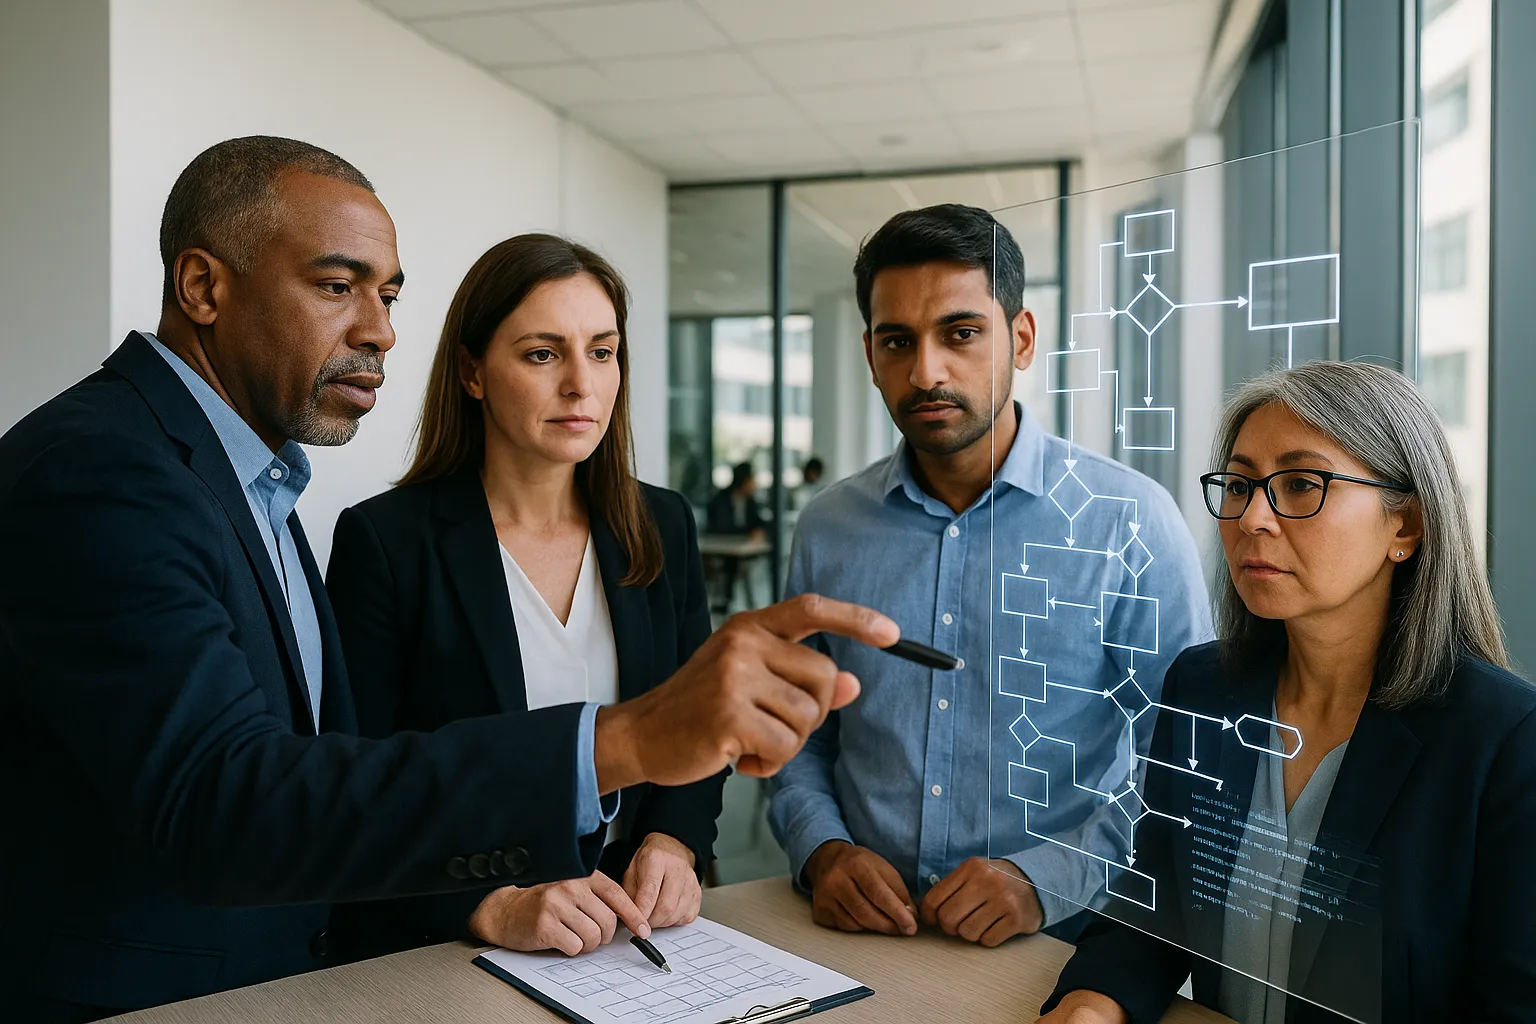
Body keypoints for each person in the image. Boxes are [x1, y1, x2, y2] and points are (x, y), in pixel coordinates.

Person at [0, 136, 898, 1022]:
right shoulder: (103, 470)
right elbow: (226, 799)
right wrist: (622, 743)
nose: (381, 330)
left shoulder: (257, 486)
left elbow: (328, 774)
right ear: (204, 286)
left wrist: (668, 831)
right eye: (337, 286)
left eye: (388, 295)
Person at [768, 205, 1211, 949]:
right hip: (855, 938)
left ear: (1022, 339)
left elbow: (1185, 758)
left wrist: (1046, 880)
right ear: (871, 356)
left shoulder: (1127, 521)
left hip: (1058, 947)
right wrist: (823, 850)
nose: (927, 372)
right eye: (897, 341)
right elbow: (796, 731)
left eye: (961, 333)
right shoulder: (828, 528)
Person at [1040, 361, 1535, 1024]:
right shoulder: (1203, 688)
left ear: (1406, 526)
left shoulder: (1506, 741)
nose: (1253, 518)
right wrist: (1092, 1005)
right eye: (1239, 485)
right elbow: (1156, 906)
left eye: (1301, 484)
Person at [326, 234, 725, 961]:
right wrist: (485, 904)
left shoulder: (661, 524)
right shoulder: (386, 542)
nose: (581, 385)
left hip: (632, 935)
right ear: (473, 372)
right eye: (543, 354)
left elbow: (697, 721)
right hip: (461, 947)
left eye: (601, 352)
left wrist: (675, 839)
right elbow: (355, 788)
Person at [707, 460, 768, 538]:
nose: (755, 485)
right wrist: (748, 533)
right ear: (744, 481)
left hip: (746, 544)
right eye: (752, 481)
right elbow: (722, 528)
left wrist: (759, 530)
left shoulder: (751, 502)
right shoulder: (720, 501)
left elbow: (757, 522)